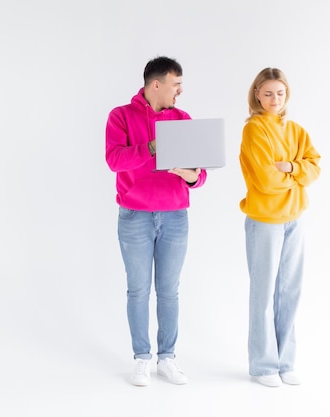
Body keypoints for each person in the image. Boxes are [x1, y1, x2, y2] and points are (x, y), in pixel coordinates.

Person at [105, 56, 207, 386]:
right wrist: (152, 146)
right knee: (138, 291)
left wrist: (192, 176)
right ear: (156, 85)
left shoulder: (183, 119)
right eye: (176, 85)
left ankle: (167, 358)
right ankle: (141, 358)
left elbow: (201, 174)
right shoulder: (120, 116)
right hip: (135, 215)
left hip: (175, 215)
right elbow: (114, 160)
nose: (180, 91)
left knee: (169, 291)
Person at [238, 67, 321, 387]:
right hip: (265, 222)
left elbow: (314, 169)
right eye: (268, 93)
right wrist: (297, 175)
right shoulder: (254, 130)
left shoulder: (297, 130)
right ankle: (262, 365)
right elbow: (266, 180)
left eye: (280, 93)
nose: (274, 99)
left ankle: (286, 361)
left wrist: (290, 167)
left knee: (290, 292)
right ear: (257, 93)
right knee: (264, 293)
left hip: (294, 220)